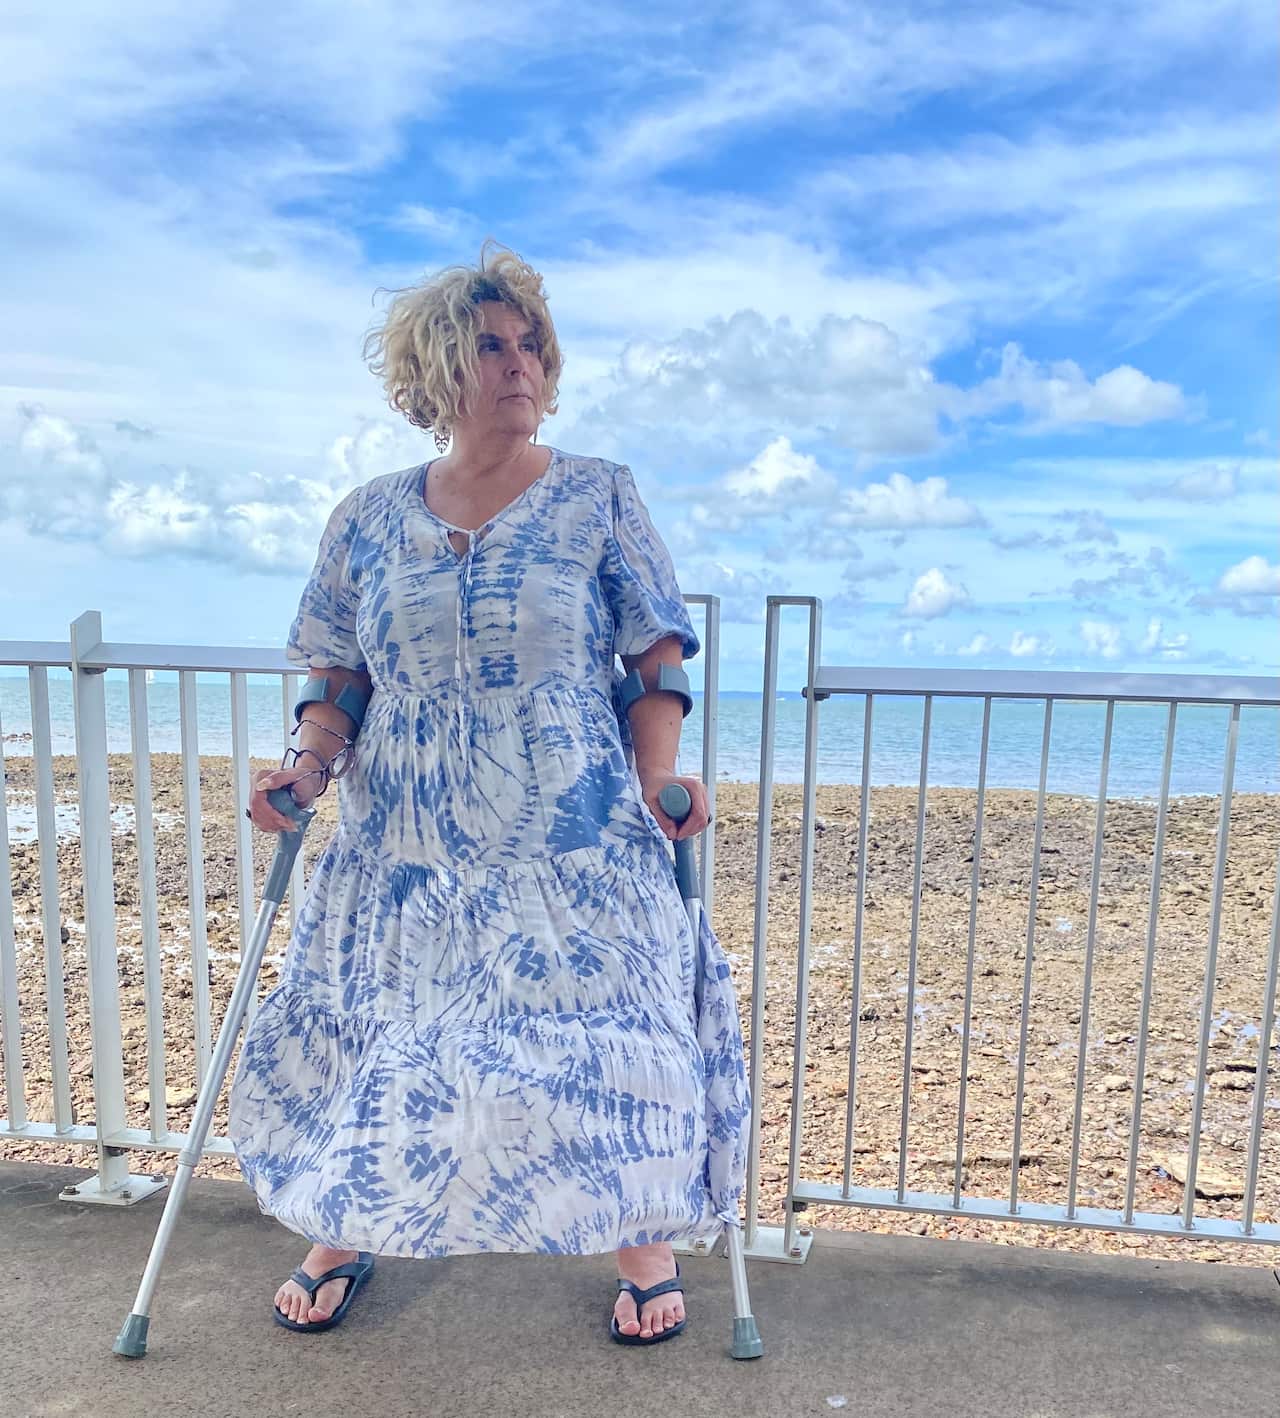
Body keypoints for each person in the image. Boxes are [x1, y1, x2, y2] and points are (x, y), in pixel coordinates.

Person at [229, 241, 749, 1346]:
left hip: (574, 823)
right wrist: (306, 769)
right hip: (407, 832)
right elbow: (337, 673)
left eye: (530, 346)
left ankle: (642, 1236)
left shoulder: (598, 493)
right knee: (393, 1024)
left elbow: (655, 654)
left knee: (613, 1027)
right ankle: (348, 1221)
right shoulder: (366, 517)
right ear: (434, 373)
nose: (519, 365)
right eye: (488, 347)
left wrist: (660, 779)